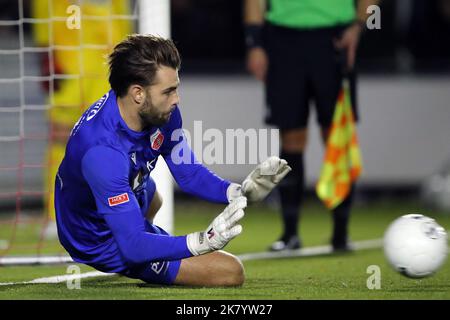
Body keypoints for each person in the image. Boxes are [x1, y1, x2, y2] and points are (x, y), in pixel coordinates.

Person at [54, 34, 291, 286]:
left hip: (123, 195)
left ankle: (147, 250)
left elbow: (188, 173)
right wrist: (202, 241)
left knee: (153, 195)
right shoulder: (103, 153)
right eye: (168, 91)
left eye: (176, 88)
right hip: (94, 236)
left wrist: (239, 192)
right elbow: (133, 245)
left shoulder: (161, 113)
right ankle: (140, 261)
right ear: (138, 93)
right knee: (231, 271)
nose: (176, 99)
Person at [244, 0, 379, 251]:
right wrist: (255, 42)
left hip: (335, 36)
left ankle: (341, 232)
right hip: (282, 37)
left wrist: (359, 26)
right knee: (291, 138)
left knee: (336, 135)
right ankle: (290, 233)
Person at [32, 0, 132, 238]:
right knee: (60, 138)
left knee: (107, 140)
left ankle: (106, 211)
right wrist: (45, 55)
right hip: (68, 65)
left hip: (105, 65)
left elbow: (122, 19)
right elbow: (41, 15)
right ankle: (55, 214)